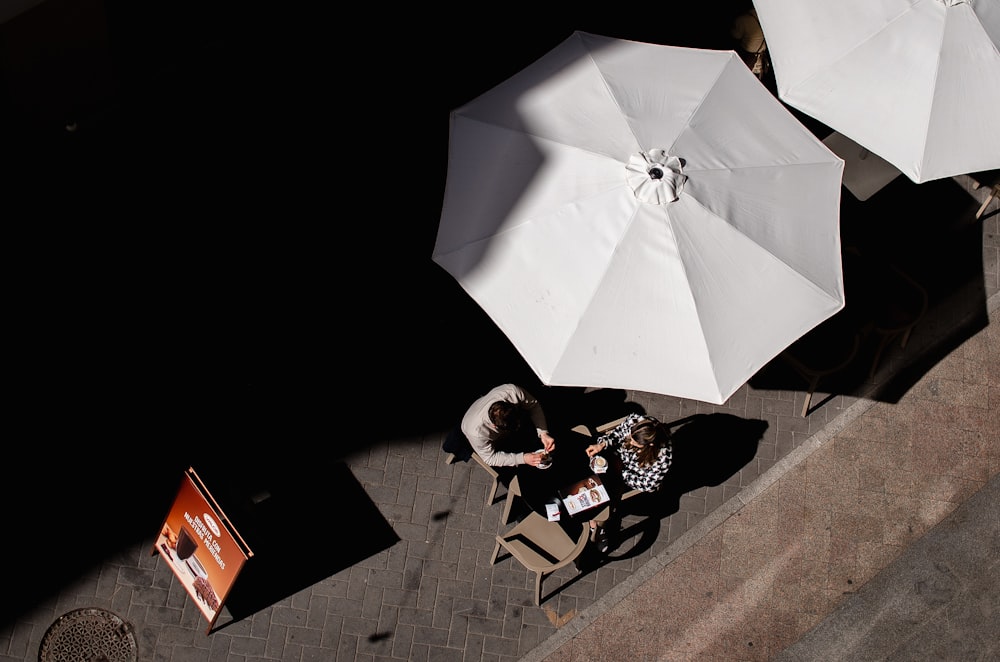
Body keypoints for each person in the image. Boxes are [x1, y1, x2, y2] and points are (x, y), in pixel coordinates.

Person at [584, 412, 673, 551]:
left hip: (627, 476)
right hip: (613, 456)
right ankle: (589, 516)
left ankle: (596, 525)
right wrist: (602, 445)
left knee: (604, 496)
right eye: (631, 437)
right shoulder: (636, 420)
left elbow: (648, 484)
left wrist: (622, 473)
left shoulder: (663, 457)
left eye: (634, 442)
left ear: (650, 444)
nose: (630, 441)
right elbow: (617, 433)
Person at [461, 383, 556, 468]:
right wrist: (522, 459)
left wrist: (543, 433)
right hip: (491, 441)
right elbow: (490, 458)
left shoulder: (512, 392)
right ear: (494, 426)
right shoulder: (477, 433)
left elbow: (534, 406)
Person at [731, 6, 770, 81]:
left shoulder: (743, 20)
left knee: (743, 79)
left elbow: (735, 35)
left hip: (747, 58)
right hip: (761, 57)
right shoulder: (766, 18)